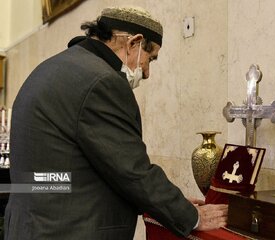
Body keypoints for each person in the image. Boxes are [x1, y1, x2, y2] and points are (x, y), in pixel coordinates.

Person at [4, 6, 228, 240]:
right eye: (150, 58)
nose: (147, 72)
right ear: (134, 43)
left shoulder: (50, 68)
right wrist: (190, 215)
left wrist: (171, 205)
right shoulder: (102, 82)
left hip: (30, 225)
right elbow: (132, 171)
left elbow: (70, 174)